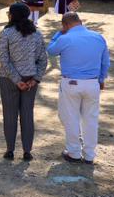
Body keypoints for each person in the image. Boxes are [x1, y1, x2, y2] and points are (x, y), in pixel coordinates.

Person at [47, 12, 110, 165]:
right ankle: (89, 154)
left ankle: (74, 152)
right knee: (91, 119)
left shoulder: (65, 38)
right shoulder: (98, 37)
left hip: (71, 82)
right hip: (92, 82)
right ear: (80, 21)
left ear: (65, 25)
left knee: (70, 117)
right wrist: (101, 79)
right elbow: (105, 62)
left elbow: (51, 50)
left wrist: (58, 34)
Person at [0, 2, 48, 161]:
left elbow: (4, 60)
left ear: (12, 15)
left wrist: (16, 80)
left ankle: (10, 150)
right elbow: (43, 59)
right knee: (27, 114)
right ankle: (27, 151)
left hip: (8, 79)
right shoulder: (37, 34)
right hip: (30, 78)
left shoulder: (6, 33)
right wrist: (36, 79)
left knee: (9, 114)